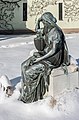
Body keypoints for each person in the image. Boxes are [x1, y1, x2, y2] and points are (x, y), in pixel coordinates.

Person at [20, 12, 70, 103]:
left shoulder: (56, 32)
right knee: (23, 65)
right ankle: (26, 91)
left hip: (53, 59)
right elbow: (37, 30)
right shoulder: (47, 29)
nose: (43, 23)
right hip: (44, 54)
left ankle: (31, 96)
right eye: (42, 22)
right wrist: (38, 22)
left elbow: (54, 51)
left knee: (29, 72)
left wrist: (40, 59)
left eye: (44, 21)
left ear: (48, 20)